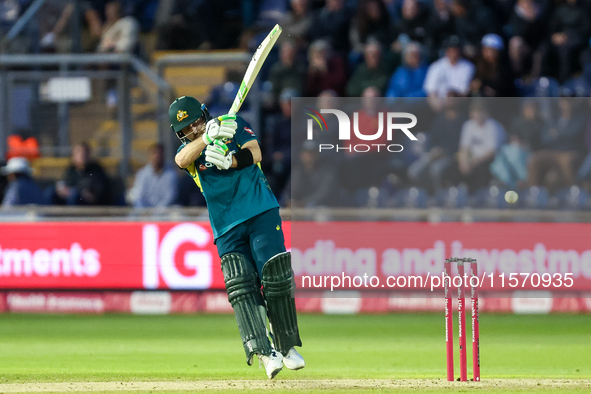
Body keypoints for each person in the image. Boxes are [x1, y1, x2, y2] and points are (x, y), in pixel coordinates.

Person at [169, 96, 304, 379]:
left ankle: (287, 345)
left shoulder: (232, 124)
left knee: (275, 276)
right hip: (226, 225)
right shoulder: (192, 151)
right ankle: (265, 353)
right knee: (241, 287)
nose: (193, 129)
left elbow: (255, 152)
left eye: (196, 123)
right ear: (180, 133)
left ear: (204, 114)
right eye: (187, 129)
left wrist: (231, 160)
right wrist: (206, 138)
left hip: (260, 209)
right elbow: (181, 159)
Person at [129, 143, 178, 208]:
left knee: (177, 214)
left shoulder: (171, 174)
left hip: (165, 212)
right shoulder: (142, 174)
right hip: (143, 212)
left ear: (164, 155)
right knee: (132, 217)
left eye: (159, 153)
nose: (156, 156)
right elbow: (138, 196)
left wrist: (156, 214)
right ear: (149, 156)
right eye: (154, 153)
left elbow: (169, 198)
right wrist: (143, 212)